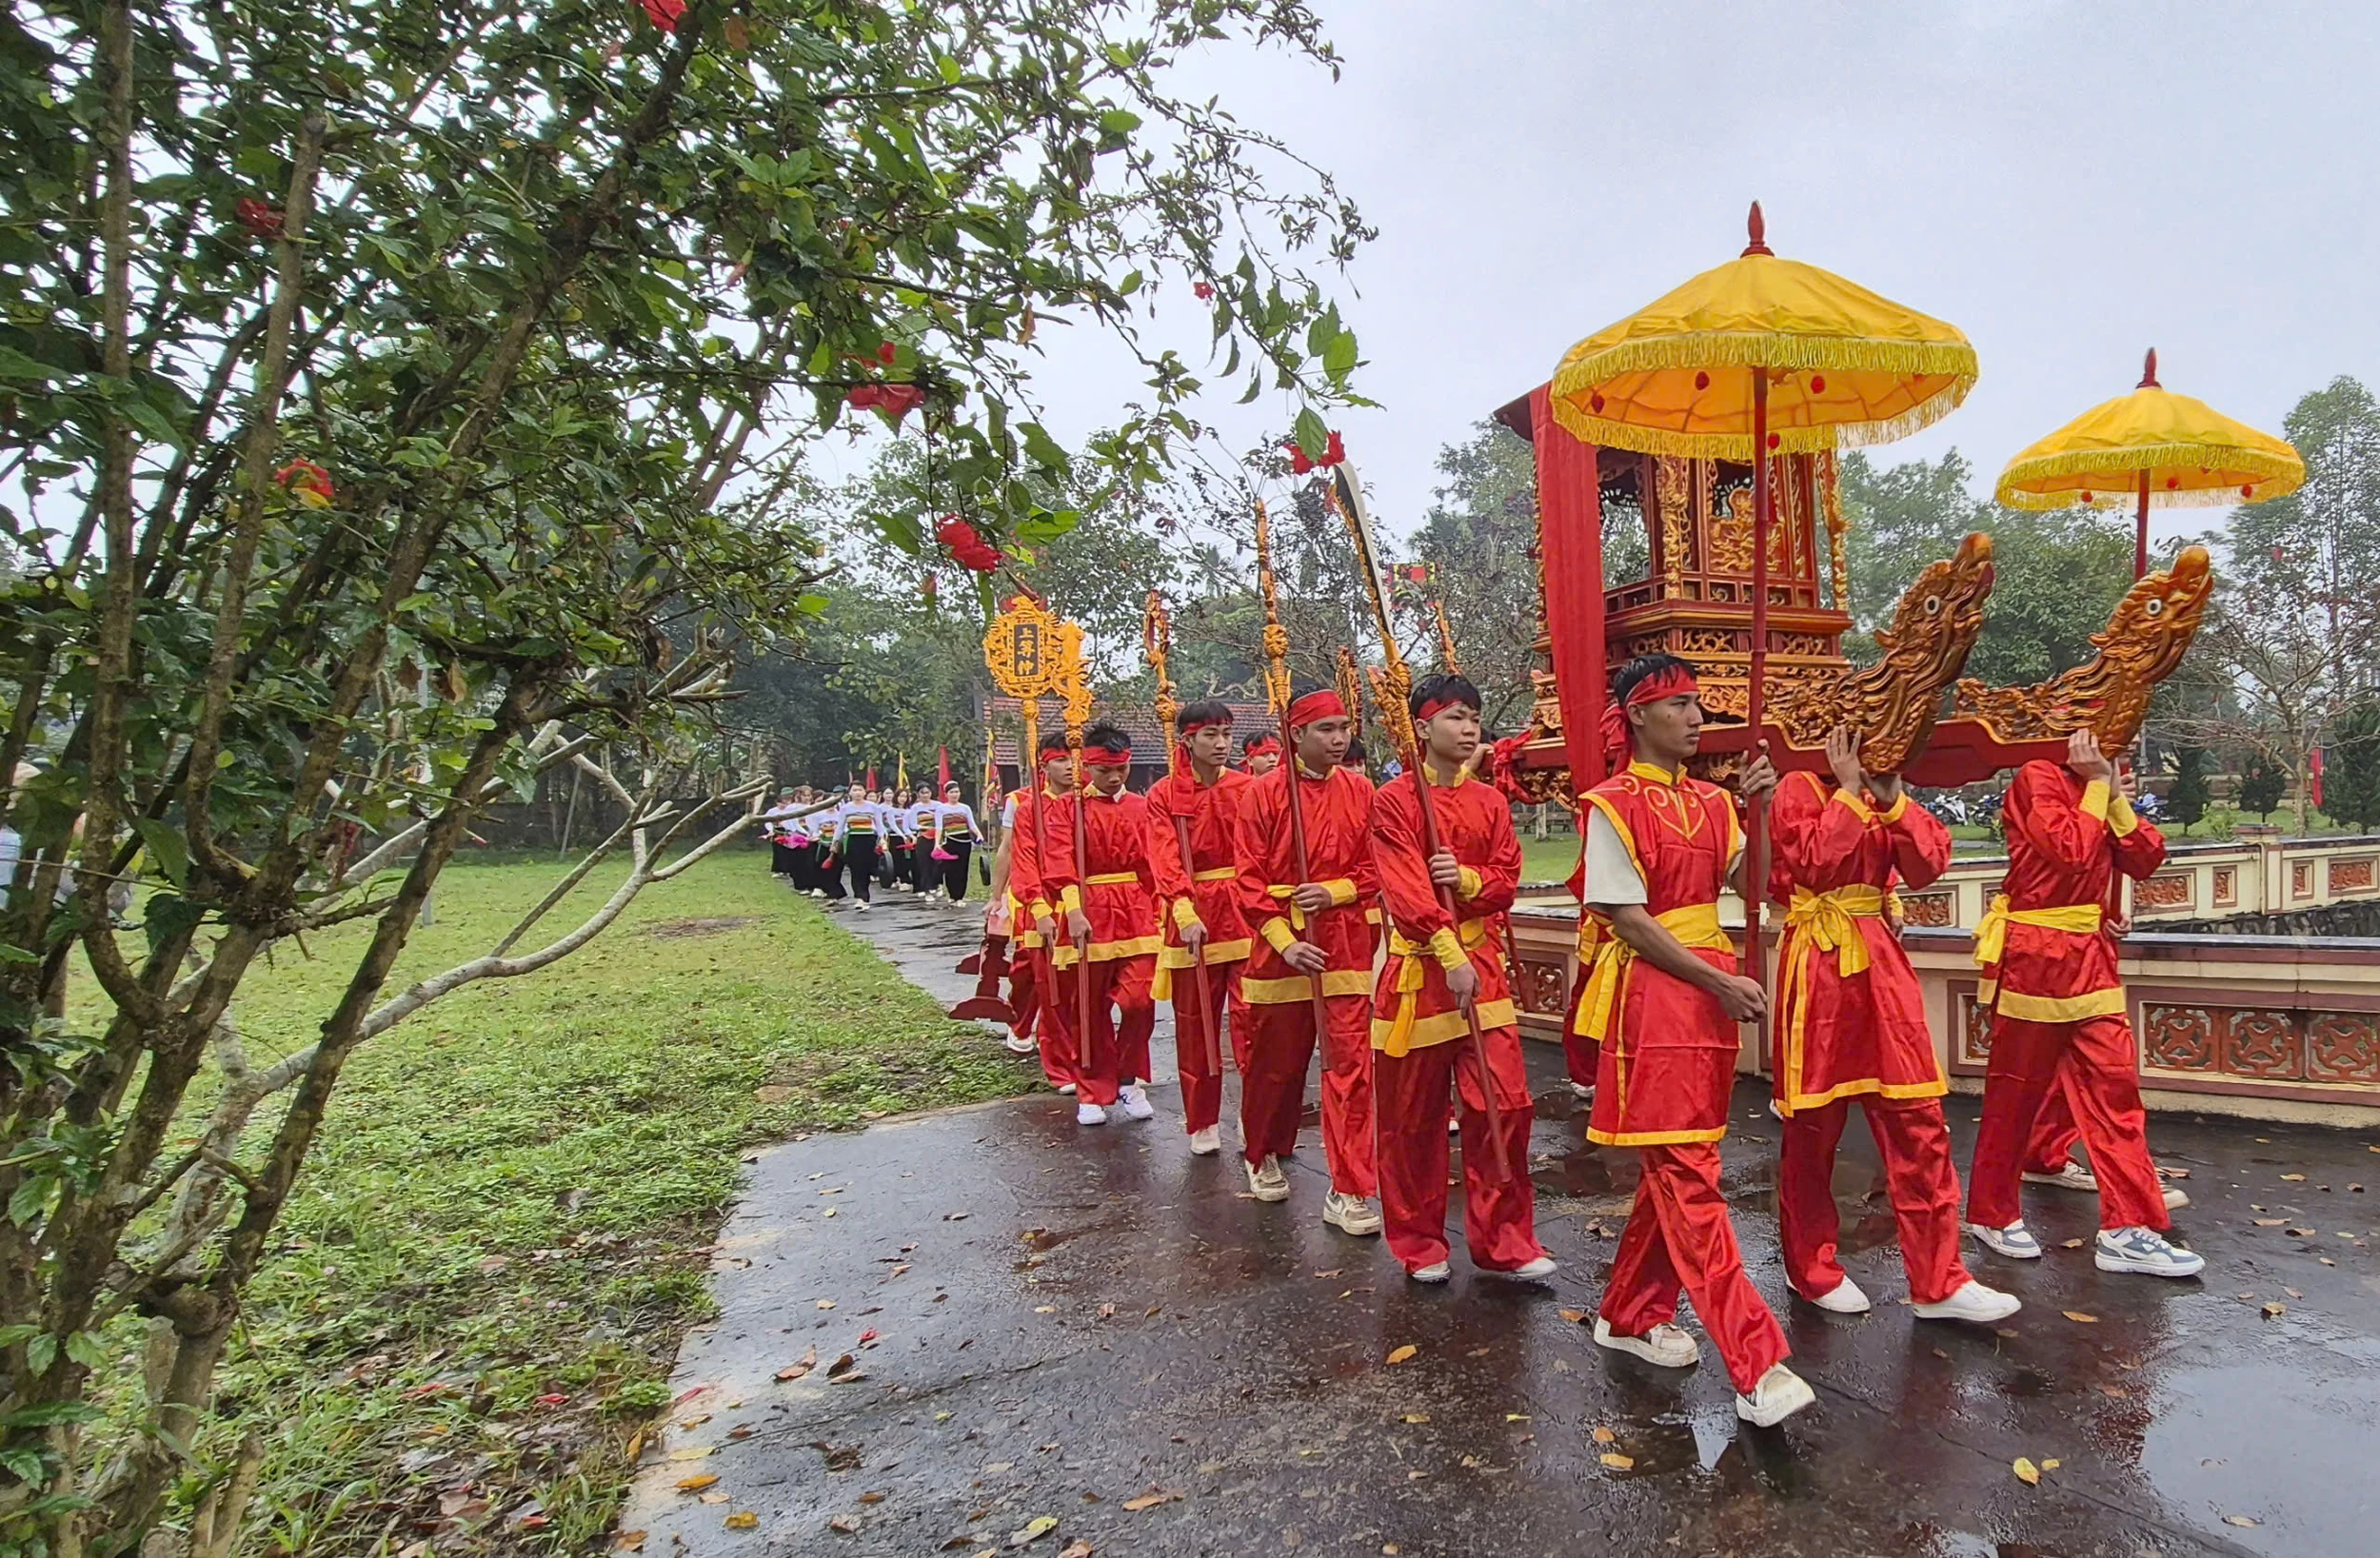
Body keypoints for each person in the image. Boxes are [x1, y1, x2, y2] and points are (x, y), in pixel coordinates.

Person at [1576, 653, 1814, 1428]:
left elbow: (1757, 885)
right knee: (1687, 1171)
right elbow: (1627, 918)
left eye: (1698, 703)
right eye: (1678, 703)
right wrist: (1718, 981)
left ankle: (1629, 1311)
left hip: (1708, 998)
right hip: (1658, 995)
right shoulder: (1609, 804)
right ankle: (1756, 1359)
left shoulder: (1715, 802)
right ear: (1638, 714)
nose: (1696, 717)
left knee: (1679, 1166)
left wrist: (1760, 812)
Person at [1768, 728, 2021, 1325]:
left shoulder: (1879, 792)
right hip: (1820, 966)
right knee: (1813, 1130)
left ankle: (1940, 1280)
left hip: (1880, 966)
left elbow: (1929, 864)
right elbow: (1814, 863)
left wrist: (1892, 799)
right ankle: (1810, 1268)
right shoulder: (1796, 788)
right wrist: (1848, 790)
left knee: (1920, 1123)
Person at [1964, 734, 2202, 1277]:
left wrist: (2112, 796)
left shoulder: (2102, 783)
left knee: (2117, 1092)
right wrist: (2099, 784)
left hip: (2092, 957)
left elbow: (2147, 857)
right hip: (2037, 956)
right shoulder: (2038, 776)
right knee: (2014, 1096)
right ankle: (1992, 1213)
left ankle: (2128, 1228)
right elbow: (2069, 850)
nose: (2125, 744)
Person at [1367, 674, 1553, 1283]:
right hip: (1421, 972)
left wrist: (1465, 877)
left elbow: (1505, 880)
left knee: (1505, 1104)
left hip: (1483, 967)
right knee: (1413, 1119)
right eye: (1454, 717)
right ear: (1421, 728)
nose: (1469, 728)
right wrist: (1448, 953)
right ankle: (1419, 1242)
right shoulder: (1394, 800)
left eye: (1473, 716)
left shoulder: (1489, 802)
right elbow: (1405, 890)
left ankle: (1505, 1240)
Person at [1233, 687, 1380, 1233]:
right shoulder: (1263, 794)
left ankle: (1350, 1187)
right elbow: (1247, 880)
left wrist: (1337, 890)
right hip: (1281, 947)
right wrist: (1284, 941)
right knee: (1276, 1065)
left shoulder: (1362, 790)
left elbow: (1377, 865)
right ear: (1296, 734)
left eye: (1343, 727)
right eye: (1326, 729)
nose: (1339, 739)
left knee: (1350, 1069)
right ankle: (1263, 1152)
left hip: (1343, 943)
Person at [1018, 724, 1160, 1127]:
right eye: (1104, 770)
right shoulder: (1067, 808)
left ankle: (1129, 1077)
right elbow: (1059, 858)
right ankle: (1092, 1089)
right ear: (1088, 767)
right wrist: (1072, 909)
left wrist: (1165, 908)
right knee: (1088, 1007)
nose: (1114, 778)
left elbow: (1153, 862)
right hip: (1086, 908)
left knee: (1140, 1000)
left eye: (1121, 769)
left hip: (1134, 910)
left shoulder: (1142, 807)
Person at [1146, 700, 1255, 1156]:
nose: (1222, 743)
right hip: (1192, 913)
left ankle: (1255, 1114)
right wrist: (1183, 909)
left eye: (1226, 734)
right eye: (1211, 735)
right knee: (1196, 1025)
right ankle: (1203, 1119)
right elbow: (1163, 854)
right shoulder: (1165, 794)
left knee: (1254, 1022)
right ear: (1188, 740)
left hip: (1245, 910)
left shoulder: (1248, 787)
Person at [1003, 740, 1081, 1088]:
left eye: (1074, 759)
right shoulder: (1029, 809)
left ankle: (1087, 1059)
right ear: (1044, 766)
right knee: (1051, 993)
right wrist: (1038, 907)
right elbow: (1022, 860)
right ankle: (1060, 1067)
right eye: (1060, 760)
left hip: (1085, 908)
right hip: (1046, 908)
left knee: (1082, 993)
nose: (1069, 767)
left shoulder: (1086, 803)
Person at [828, 782, 885, 909]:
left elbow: (879, 825)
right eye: (854, 790)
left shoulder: (873, 807)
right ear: (850, 793)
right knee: (856, 869)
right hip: (853, 840)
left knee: (867, 869)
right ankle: (860, 897)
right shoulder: (845, 808)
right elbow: (840, 827)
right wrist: (835, 842)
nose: (857, 793)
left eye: (860, 790)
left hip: (869, 839)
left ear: (864, 792)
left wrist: (882, 839)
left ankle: (865, 896)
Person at [931, 780, 980, 904]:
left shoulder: (965, 808)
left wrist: (979, 835)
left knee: (963, 869)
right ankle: (952, 895)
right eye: (952, 792)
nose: (954, 794)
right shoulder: (941, 809)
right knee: (951, 869)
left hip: (965, 841)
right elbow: (939, 828)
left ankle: (960, 896)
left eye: (956, 792)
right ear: (946, 794)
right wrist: (937, 843)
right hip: (950, 841)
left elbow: (972, 824)